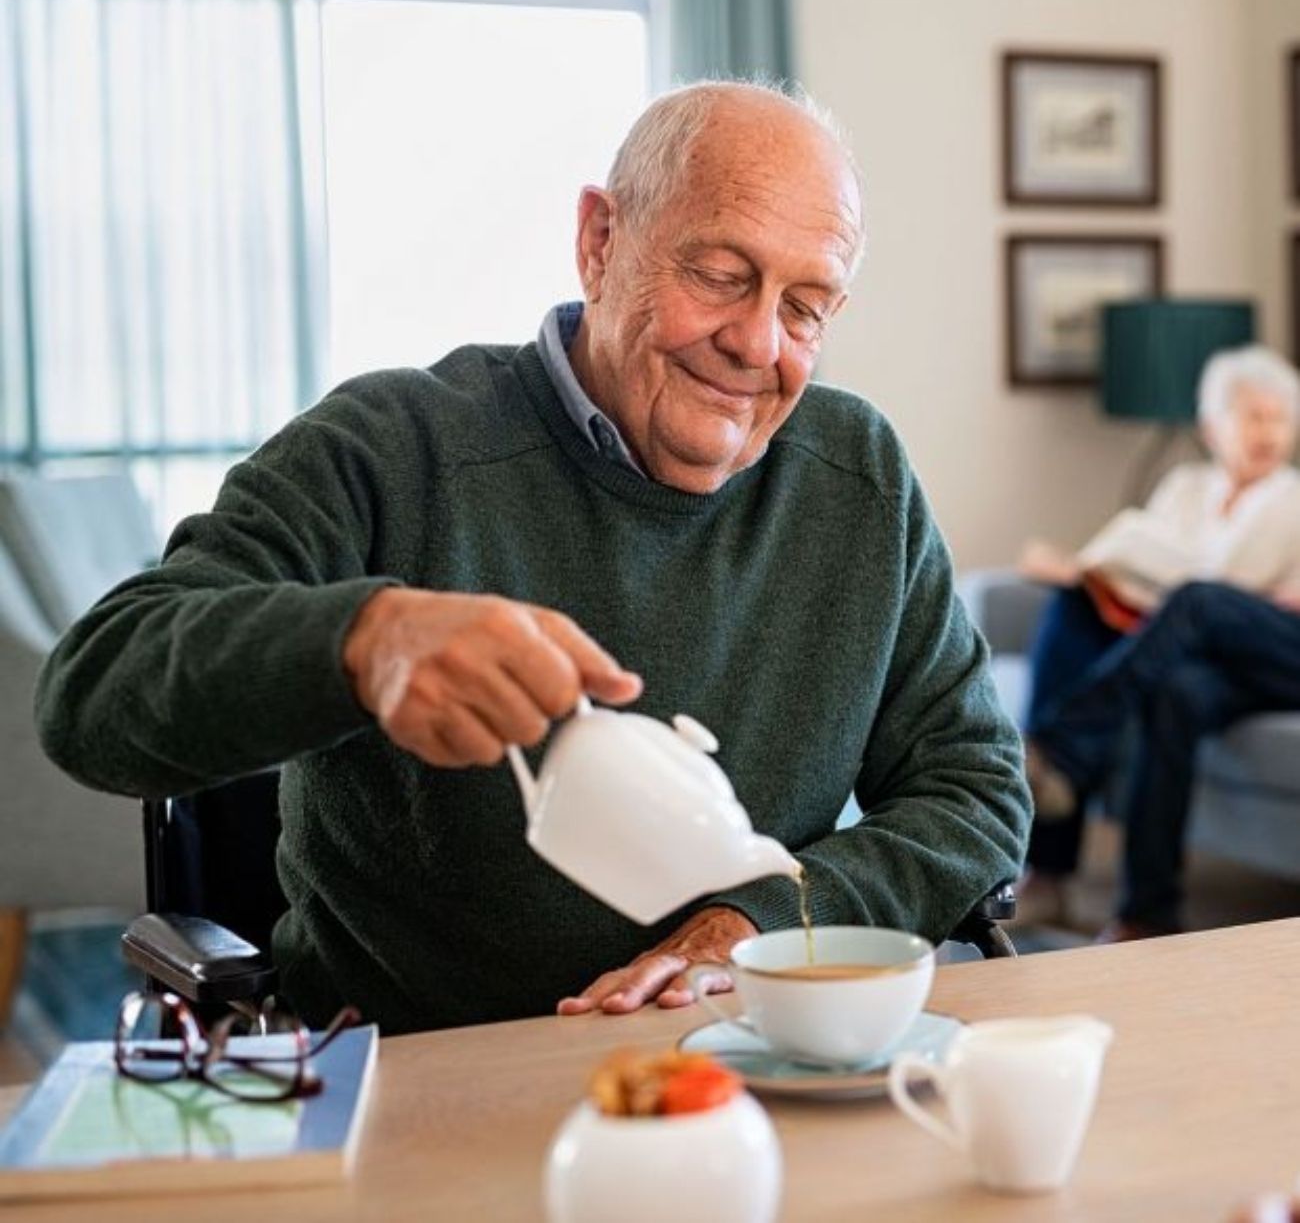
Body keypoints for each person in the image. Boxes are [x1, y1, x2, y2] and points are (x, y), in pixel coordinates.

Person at [35, 82, 1029, 1035]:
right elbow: (91, 696)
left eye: (805, 306)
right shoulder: (391, 450)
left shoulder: (855, 477)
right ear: (600, 242)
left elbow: (974, 791)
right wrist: (362, 642)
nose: (758, 341)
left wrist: (761, 926)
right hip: (419, 1080)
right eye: (721, 276)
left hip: (748, 1069)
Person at [1016, 346, 1300, 937]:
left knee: (1197, 599)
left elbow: (1229, 589)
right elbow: (1145, 561)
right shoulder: (1187, 486)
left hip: (1283, 645)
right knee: (1171, 686)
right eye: (1253, 417)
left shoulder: (1292, 497)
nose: (1268, 432)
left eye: (1279, 418)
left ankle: (1061, 748)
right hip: (1213, 655)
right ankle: (1147, 910)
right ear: (1211, 427)